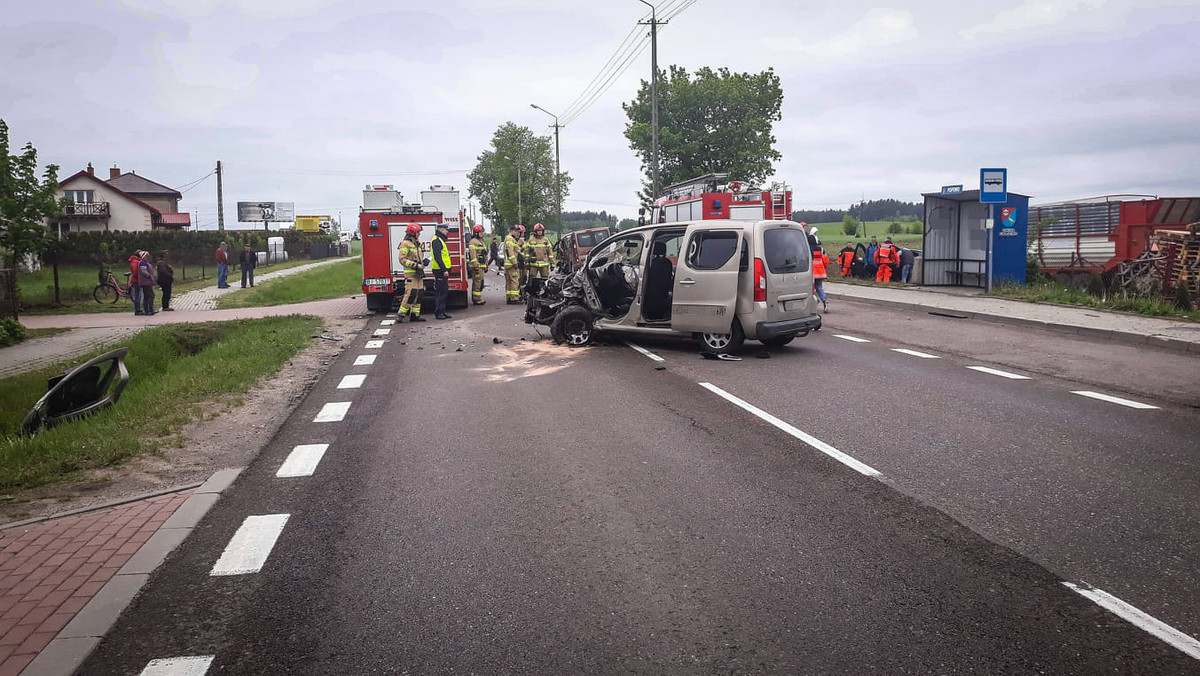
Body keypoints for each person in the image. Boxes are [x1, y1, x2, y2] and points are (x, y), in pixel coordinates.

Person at [396, 223, 426, 322]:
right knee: (410, 295)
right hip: (411, 274)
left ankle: (415, 315)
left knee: (419, 294)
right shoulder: (405, 244)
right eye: (418, 232)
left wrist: (422, 263)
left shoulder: (416, 243)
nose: (419, 234)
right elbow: (402, 259)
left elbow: (418, 257)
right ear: (413, 233)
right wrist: (415, 265)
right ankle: (401, 315)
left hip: (419, 274)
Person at [430, 223, 453, 320]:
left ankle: (442, 311)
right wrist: (444, 269)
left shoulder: (440, 240)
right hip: (440, 271)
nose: (447, 232)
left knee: (443, 292)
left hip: (442, 270)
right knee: (441, 293)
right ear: (441, 230)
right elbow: (438, 257)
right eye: (446, 230)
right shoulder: (436, 240)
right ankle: (439, 313)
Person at [467, 224, 488, 305]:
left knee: (480, 282)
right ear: (476, 233)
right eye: (481, 232)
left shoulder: (481, 241)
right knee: (477, 283)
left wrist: (486, 265)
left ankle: (477, 298)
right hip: (477, 266)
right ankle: (476, 299)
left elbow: (484, 254)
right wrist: (475, 266)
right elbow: (473, 256)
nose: (482, 234)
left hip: (481, 266)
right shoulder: (473, 242)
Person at [503, 225, 524, 304]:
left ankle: (509, 298)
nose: (518, 233)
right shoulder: (510, 239)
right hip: (512, 265)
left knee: (509, 282)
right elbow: (510, 253)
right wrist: (515, 263)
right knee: (515, 281)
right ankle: (514, 298)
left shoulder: (508, 238)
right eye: (516, 231)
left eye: (518, 232)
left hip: (508, 265)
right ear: (511, 231)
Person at [137, 250, 157, 315]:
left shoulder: (145, 262)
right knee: (151, 295)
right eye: (147, 256)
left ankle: (147, 310)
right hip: (146, 282)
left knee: (146, 296)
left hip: (146, 282)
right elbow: (144, 271)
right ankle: (150, 309)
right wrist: (149, 276)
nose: (148, 257)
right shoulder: (142, 263)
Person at [812, 241, 829, 311]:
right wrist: (823, 267)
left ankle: (815, 299)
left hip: (811, 273)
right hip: (820, 272)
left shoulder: (808, 249)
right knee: (819, 287)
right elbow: (826, 261)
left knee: (810, 288)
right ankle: (824, 300)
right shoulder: (821, 249)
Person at [128, 251, 144, 315]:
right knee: (138, 296)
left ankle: (138, 309)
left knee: (138, 295)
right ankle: (138, 310)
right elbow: (135, 272)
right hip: (137, 281)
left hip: (137, 280)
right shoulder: (136, 262)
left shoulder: (135, 261)